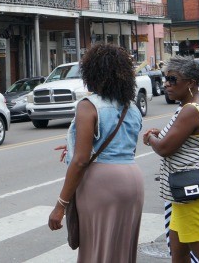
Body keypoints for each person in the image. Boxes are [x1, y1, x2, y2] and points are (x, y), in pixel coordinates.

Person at [47, 43, 144, 262]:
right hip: (132, 180)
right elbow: (121, 144)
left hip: (102, 183)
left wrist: (60, 206)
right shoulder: (131, 106)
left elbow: (81, 161)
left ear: (92, 72)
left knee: (97, 249)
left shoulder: (88, 105)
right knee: (121, 250)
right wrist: (74, 145)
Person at [143, 55, 199, 263]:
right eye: (165, 78)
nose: (166, 84)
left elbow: (164, 148)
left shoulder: (190, 110)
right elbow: (189, 139)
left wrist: (151, 138)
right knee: (179, 254)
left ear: (190, 83)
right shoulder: (196, 103)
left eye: (172, 79)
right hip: (186, 188)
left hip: (192, 188)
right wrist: (162, 134)